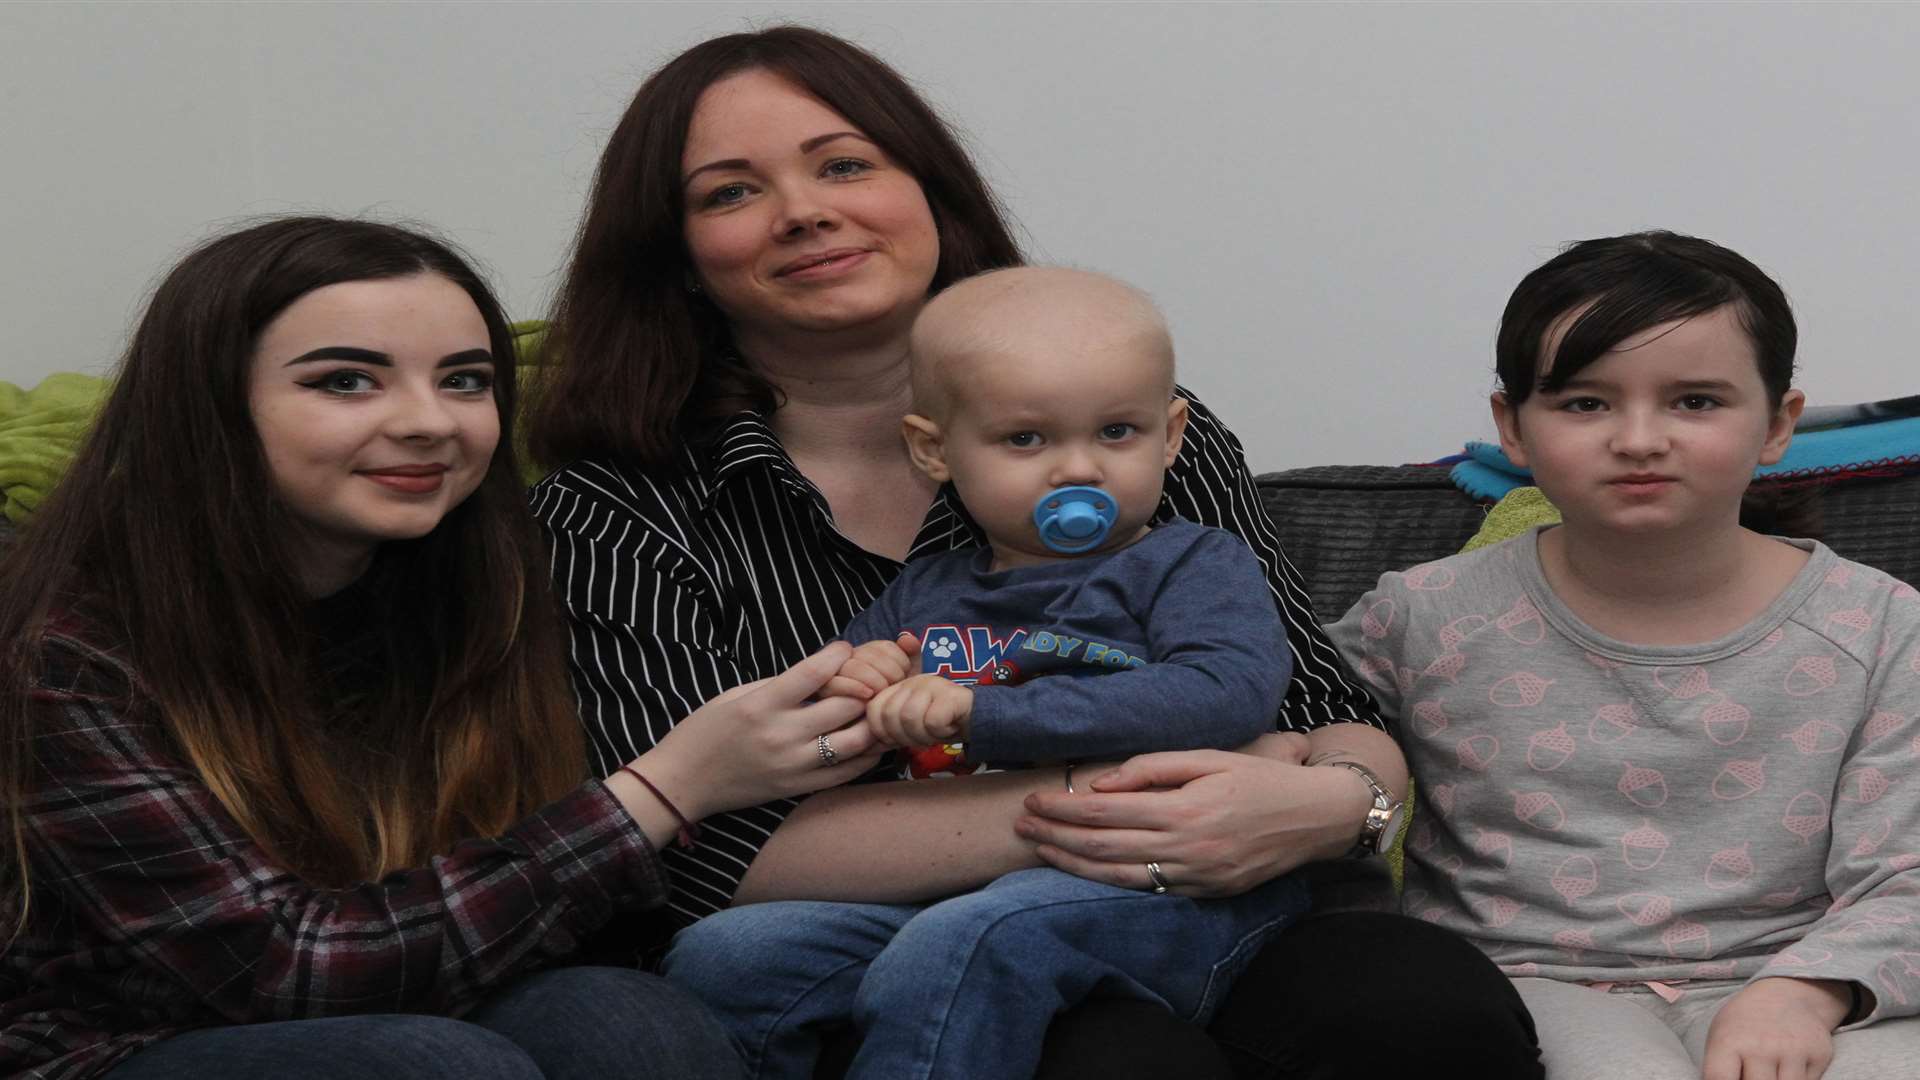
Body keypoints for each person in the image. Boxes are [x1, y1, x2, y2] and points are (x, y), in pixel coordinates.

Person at [525, 25, 1541, 1077]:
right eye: (730, 192)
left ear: (931, 194)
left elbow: (1316, 714)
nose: (805, 211)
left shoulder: (1134, 436)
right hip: (873, 928)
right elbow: (696, 848)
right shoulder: (620, 512)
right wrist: (1116, 799)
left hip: (1230, 891)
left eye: (843, 164)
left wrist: (1341, 803)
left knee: (1424, 1014)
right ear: (678, 260)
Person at [0, 216, 883, 1080]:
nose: (429, 423)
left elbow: (543, 914)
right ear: (209, 408)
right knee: (432, 1061)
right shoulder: (67, 647)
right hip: (106, 1041)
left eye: (465, 381)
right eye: (346, 382)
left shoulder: (476, 591)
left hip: (407, 991)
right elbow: (285, 972)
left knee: (620, 1014)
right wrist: (668, 786)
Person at [662, 267, 1312, 1080]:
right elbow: (838, 715)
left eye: (1117, 432)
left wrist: (982, 712)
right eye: (1026, 440)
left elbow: (1226, 694)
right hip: (964, 886)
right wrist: (859, 681)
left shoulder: (1192, 563)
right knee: (728, 954)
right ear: (933, 449)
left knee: (968, 944)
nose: (1079, 470)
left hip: (1172, 888)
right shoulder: (926, 588)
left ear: (1172, 433)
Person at [1326, 230, 1920, 1080]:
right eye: (1586, 404)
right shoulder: (1422, 616)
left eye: (1695, 403)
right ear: (1514, 428)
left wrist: (1803, 991)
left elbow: (1910, 876)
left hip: (1804, 976)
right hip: (1524, 981)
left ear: (1778, 424)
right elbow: (1293, 726)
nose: (1639, 440)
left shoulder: (1884, 628)